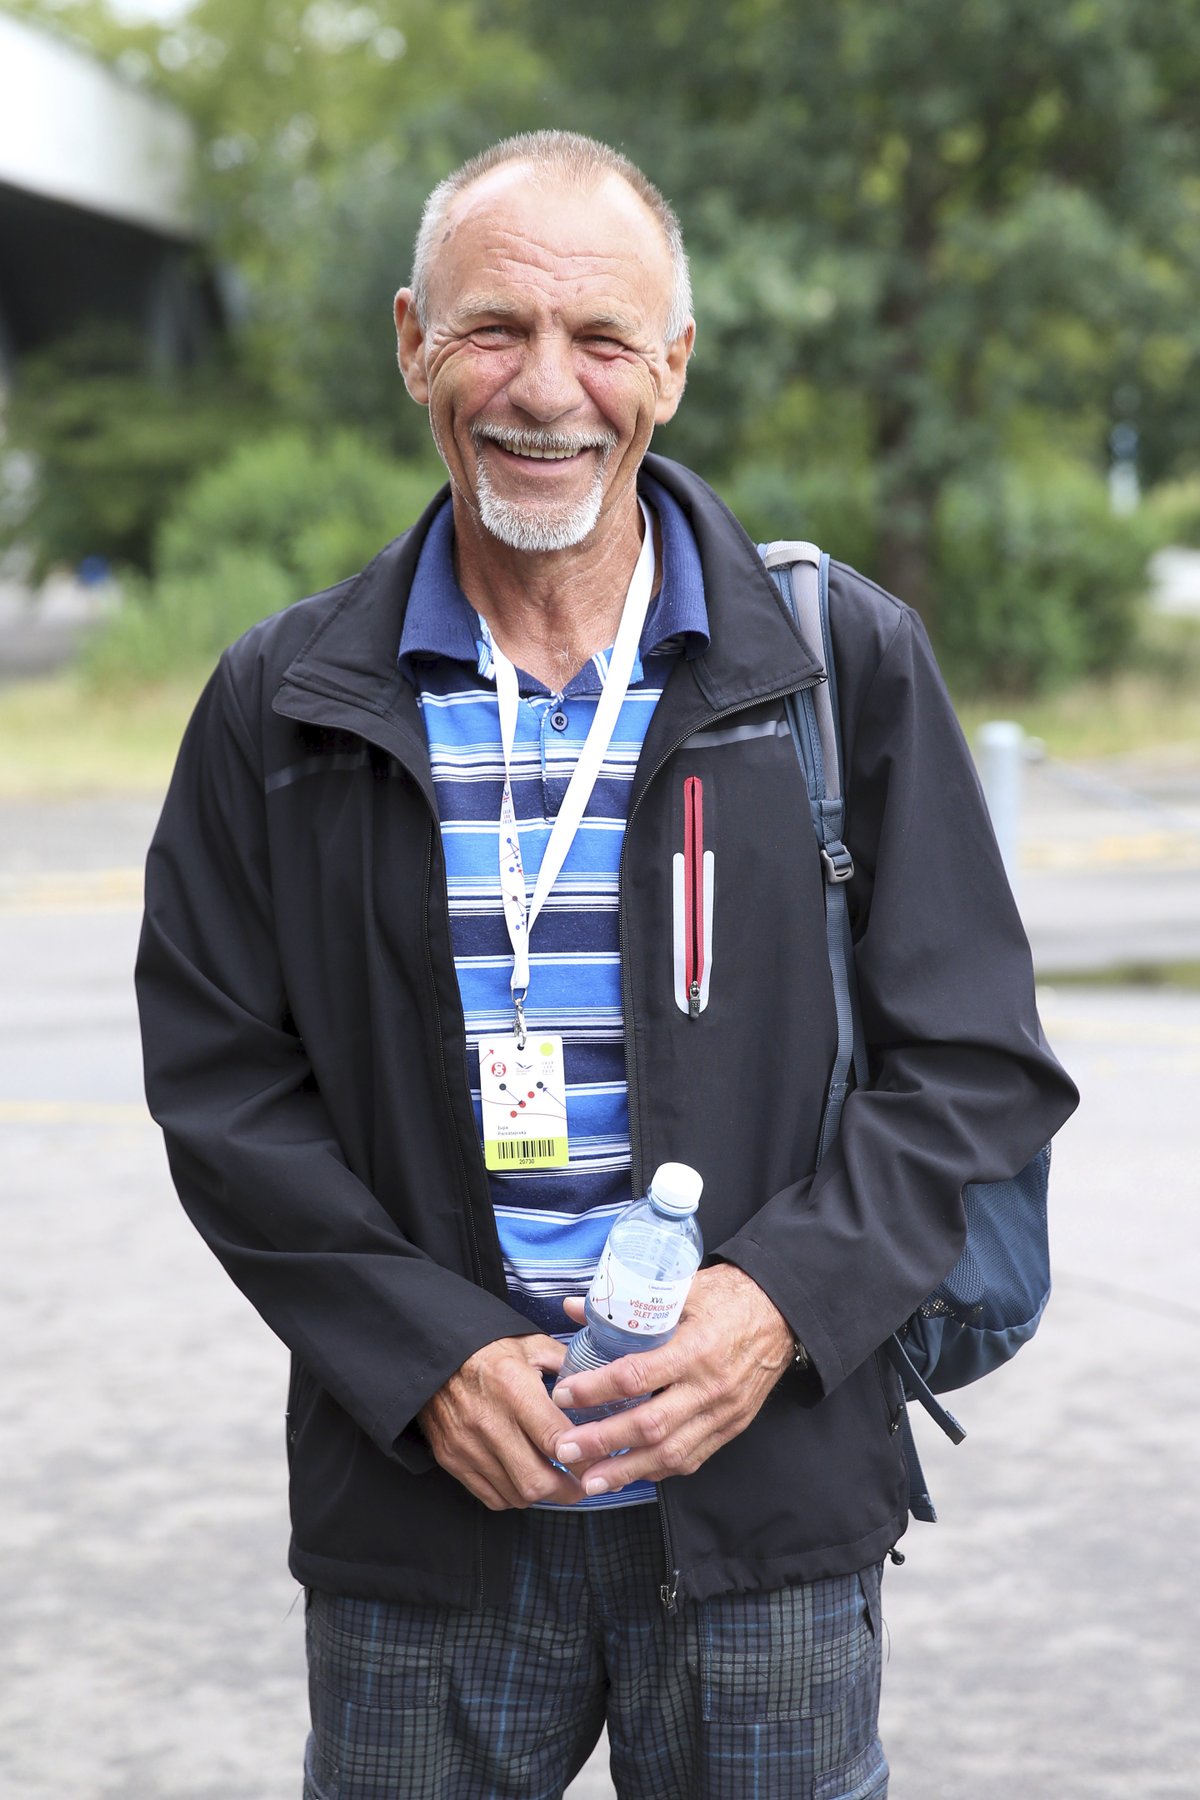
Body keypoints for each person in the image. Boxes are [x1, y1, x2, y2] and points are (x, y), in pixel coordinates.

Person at [136, 130, 1078, 1800]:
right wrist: (422, 1355)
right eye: (496, 329)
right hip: (427, 1512)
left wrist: (780, 1310)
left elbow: (976, 1066)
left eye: (602, 340)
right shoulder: (283, 702)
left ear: (676, 368)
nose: (545, 389)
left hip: (761, 1513)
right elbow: (223, 1086)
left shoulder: (833, 664)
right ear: (413, 340)